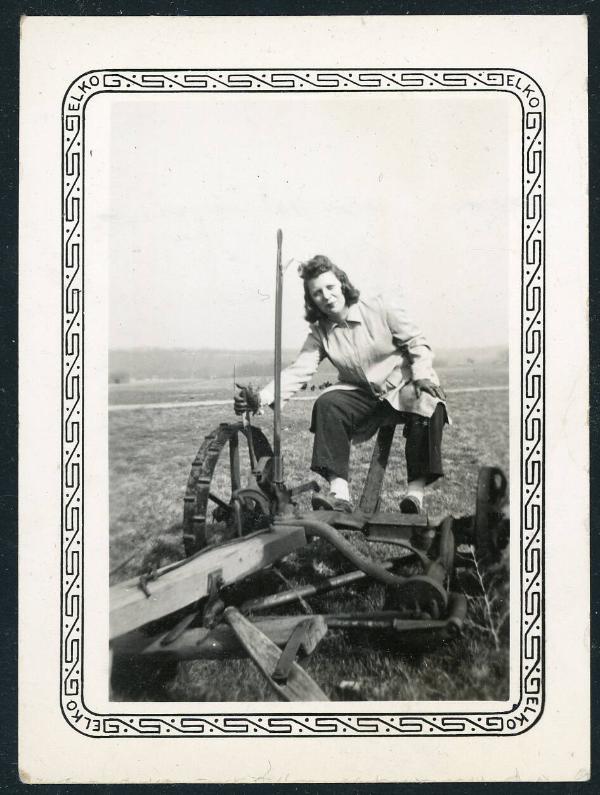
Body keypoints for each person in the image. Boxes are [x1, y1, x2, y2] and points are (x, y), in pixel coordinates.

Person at [234, 254, 448, 514]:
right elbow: (300, 370)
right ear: (311, 299)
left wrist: (422, 373)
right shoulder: (320, 332)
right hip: (362, 395)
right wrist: (263, 397)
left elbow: (417, 342)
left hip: (401, 386)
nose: (326, 296)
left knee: (428, 401)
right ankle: (340, 494)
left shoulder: (380, 308)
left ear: (343, 284)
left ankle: (414, 496)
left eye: (330, 287)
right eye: (317, 293)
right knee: (328, 403)